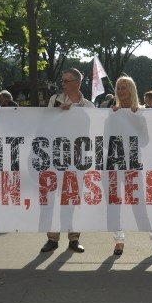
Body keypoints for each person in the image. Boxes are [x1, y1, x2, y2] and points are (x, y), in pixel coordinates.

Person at [110, 76, 152, 257]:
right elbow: (105, 141)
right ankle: (119, 241)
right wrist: (113, 118)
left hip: (135, 163)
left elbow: (145, 141)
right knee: (115, 203)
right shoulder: (110, 113)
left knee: (140, 203)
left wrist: (136, 119)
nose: (121, 91)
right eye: (119, 88)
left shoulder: (141, 113)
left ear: (131, 90)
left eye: (124, 88)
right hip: (114, 162)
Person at [40, 68, 94, 254]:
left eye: (66, 81)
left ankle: (74, 238)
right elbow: (45, 127)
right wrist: (58, 114)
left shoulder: (89, 106)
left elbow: (92, 132)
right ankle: (52, 238)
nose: (62, 84)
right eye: (62, 81)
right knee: (53, 199)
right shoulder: (54, 101)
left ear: (77, 83)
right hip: (56, 157)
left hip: (78, 159)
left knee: (73, 199)